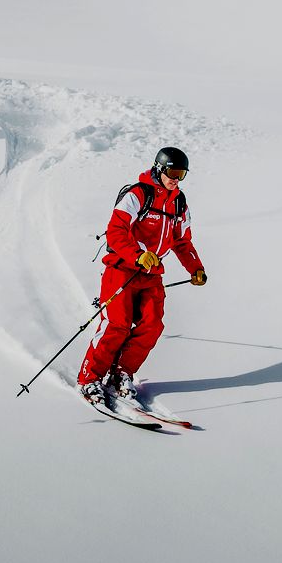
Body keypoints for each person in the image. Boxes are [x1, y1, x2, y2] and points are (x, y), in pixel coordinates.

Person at [78, 146, 207, 411]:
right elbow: (115, 230)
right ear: (160, 169)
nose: (176, 179)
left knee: (152, 325)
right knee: (117, 324)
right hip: (122, 269)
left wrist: (195, 268)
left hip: (151, 274)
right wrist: (137, 255)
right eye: (173, 172)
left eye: (182, 174)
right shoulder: (138, 194)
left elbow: (183, 242)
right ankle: (89, 378)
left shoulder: (179, 203)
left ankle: (120, 374)